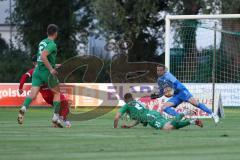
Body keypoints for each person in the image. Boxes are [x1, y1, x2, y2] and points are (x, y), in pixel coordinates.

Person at [18, 24, 63, 127]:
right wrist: (51, 69)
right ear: (55, 33)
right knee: (57, 93)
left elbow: (40, 59)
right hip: (46, 72)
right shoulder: (52, 44)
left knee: (32, 95)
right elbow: (43, 56)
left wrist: (54, 65)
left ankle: (23, 108)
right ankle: (55, 118)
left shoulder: (42, 42)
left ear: (47, 32)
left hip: (37, 71)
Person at [151, 65, 219, 124]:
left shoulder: (168, 75)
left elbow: (178, 84)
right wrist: (157, 96)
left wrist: (172, 90)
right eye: (157, 70)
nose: (158, 72)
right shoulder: (159, 80)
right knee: (164, 107)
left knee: (195, 103)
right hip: (176, 96)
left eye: (160, 70)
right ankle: (180, 116)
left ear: (164, 71)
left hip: (182, 91)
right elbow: (161, 92)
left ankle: (213, 114)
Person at [18, 55, 71, 128]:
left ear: (33, 63)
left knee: (58, 105)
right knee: (64, 103)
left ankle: (24, 107)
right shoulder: (46, 68)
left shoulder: (33, 71)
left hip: (45, 96)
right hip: (53, 92)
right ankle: (62, 120)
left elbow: (24, 76)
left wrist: (20, 88)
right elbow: (51, 66)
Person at [114, 93, 203, 130]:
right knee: (173, 127)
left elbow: (116, 117)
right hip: (153, 113)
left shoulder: (127, 105)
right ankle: (193, 121)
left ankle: (185, 112)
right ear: (132, 98)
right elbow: (139, 118)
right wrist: (130, 126)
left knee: (168, 127)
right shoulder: (137, 103)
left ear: (125, 100)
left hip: (150, 117)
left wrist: (115, 128)